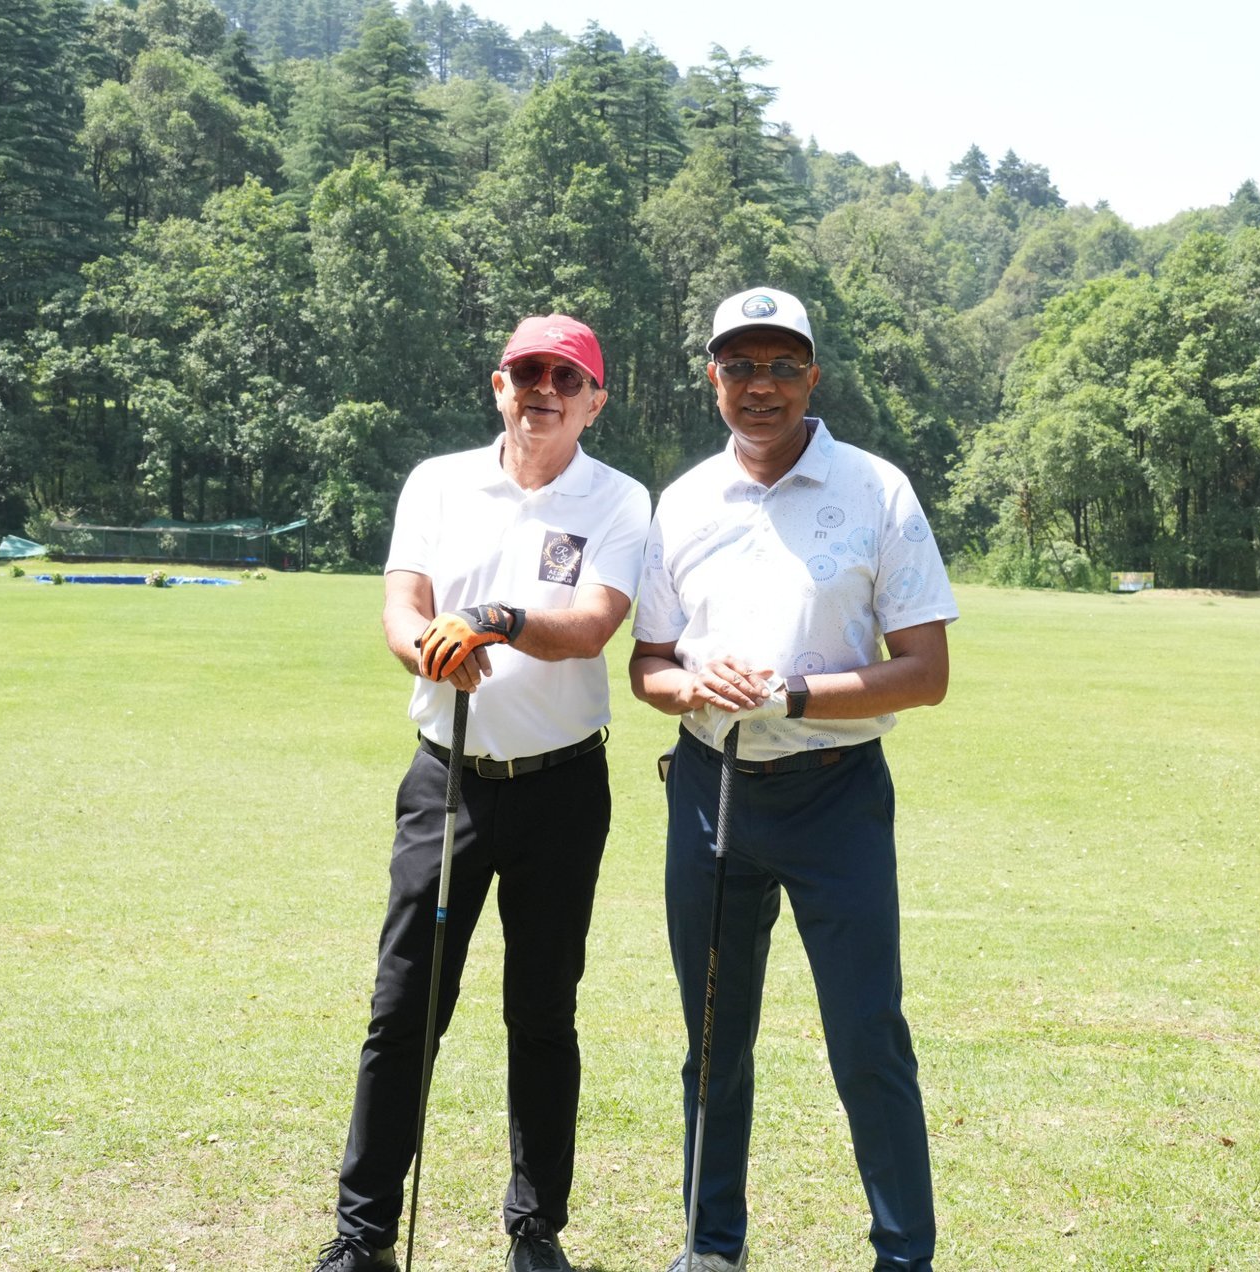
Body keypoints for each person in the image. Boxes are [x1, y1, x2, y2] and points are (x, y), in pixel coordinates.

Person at [312, 314, 651, 1272]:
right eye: (526, 372)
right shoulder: (438, 482)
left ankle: (535, 1231)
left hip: (562, 787)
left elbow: (592, 625)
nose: (543, 389)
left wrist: (495, 621)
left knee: (542, 1012)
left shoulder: (620, 499)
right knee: (404, 1008)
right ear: (498, 386)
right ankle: (364, 1236)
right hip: (447, 781)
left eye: (566, 377)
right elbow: (401, 605)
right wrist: (430, 647)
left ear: (594, 401)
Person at [630, 287, 958, 1272]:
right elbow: (648, 666)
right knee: (713, 1039)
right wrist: (694, 684)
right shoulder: (683, 501)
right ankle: (710, 1249)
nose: (760, 385)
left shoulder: (877, 490)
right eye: (740, 366)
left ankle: (903, 1256)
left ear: (813, 377)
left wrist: (794, 693)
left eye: (780, 366)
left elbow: (926, 672)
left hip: (835, 798)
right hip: (711, 793)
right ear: (713, 379)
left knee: (866, 1036)